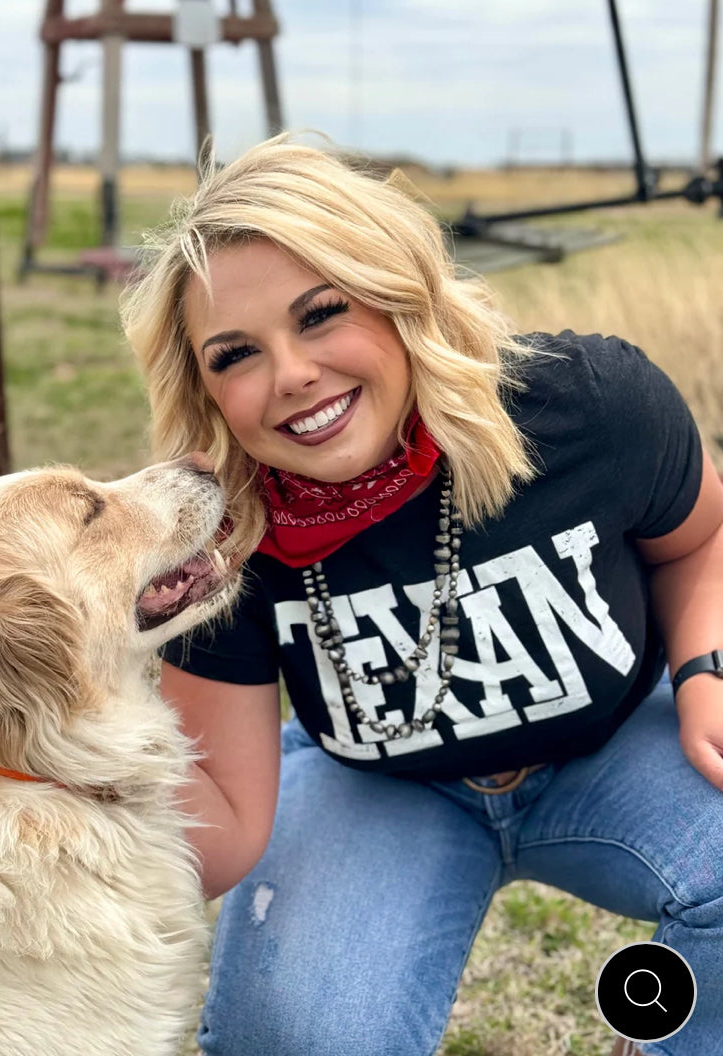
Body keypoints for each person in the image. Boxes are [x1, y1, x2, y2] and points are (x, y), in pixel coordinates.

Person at [120, 135, 723, 1056]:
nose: (289, 375)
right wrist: (41, 800)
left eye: (321, 314)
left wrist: (705, 672)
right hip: (379, 793)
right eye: (235, 354)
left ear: (401, 294)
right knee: (301, 1037)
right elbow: (227, 824)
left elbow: (701, 539)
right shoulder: (220, 535)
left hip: (608, 750)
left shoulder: (588, 406)